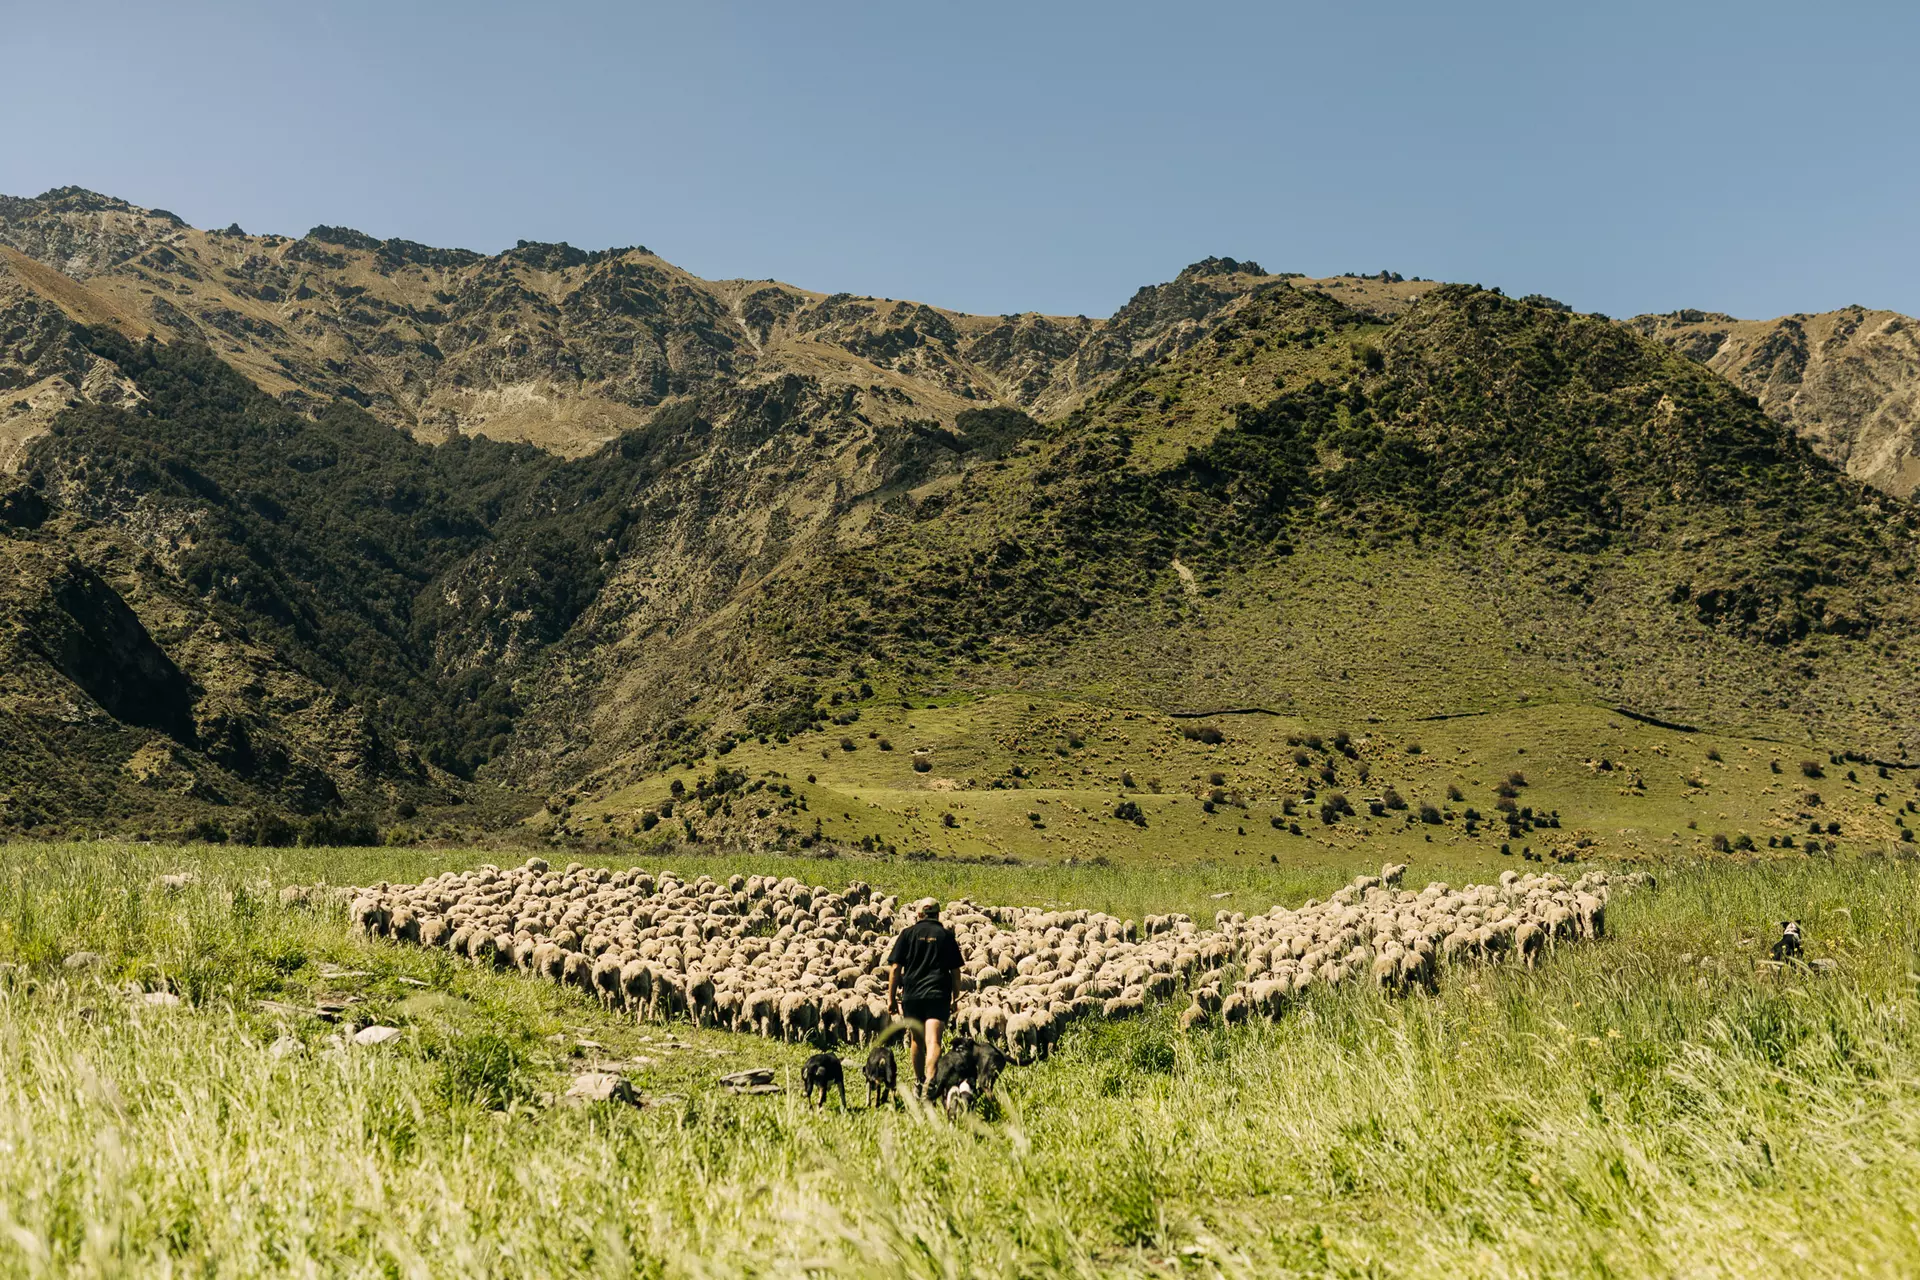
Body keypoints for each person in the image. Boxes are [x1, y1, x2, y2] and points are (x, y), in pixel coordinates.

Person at [885, 897, 965, 1096]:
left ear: (919, 914)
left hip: (912, 995)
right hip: (938, 994)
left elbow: (895, 968)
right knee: (934, 1041)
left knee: (916, 1041)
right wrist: (956, 997)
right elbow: (955, 972)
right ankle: (931, 1081)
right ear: (938, 914)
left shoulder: (908, 934)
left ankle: (919, 1082)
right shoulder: (945, 935)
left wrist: (891, 998)